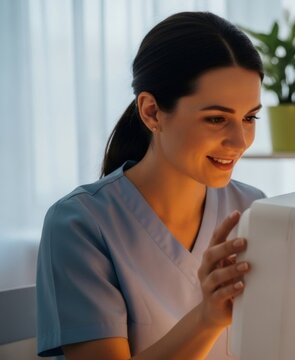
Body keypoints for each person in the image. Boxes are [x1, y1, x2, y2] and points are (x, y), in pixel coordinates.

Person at [36, 12, 264, 359]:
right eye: (216, 118)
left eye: (249, 117)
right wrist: (207, 318)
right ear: (152, 112)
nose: (239, 140)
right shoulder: (79, 224)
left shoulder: (253, 209)